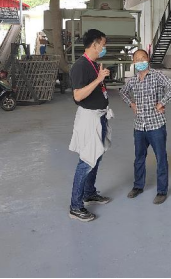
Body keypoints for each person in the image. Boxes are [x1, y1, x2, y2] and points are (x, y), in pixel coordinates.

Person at [120, 50, 171, 204]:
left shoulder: (157, 75)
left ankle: (162, 191)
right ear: (133, 62)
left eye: (143, 58)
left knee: (161, 158)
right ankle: (138, 186)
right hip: (139, 126)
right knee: (139, 158)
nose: (140, 61)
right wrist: (131, 104)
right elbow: (123, 92)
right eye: (137, 59)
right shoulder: (133, 80)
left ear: (148, 59)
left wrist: (162, 103)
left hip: (156, 125)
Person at [68, 29, 113, 222]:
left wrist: (99, 79)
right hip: (89, 119)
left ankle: (89, 193)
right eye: (103, 44)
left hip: (99, 116)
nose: (104, 48)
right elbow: (78, 96)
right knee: (87, 160)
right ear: (94, 45)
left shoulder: (93, 64)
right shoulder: (80, 66)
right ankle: (75, 206)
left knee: (97, 156)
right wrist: (99, 80)